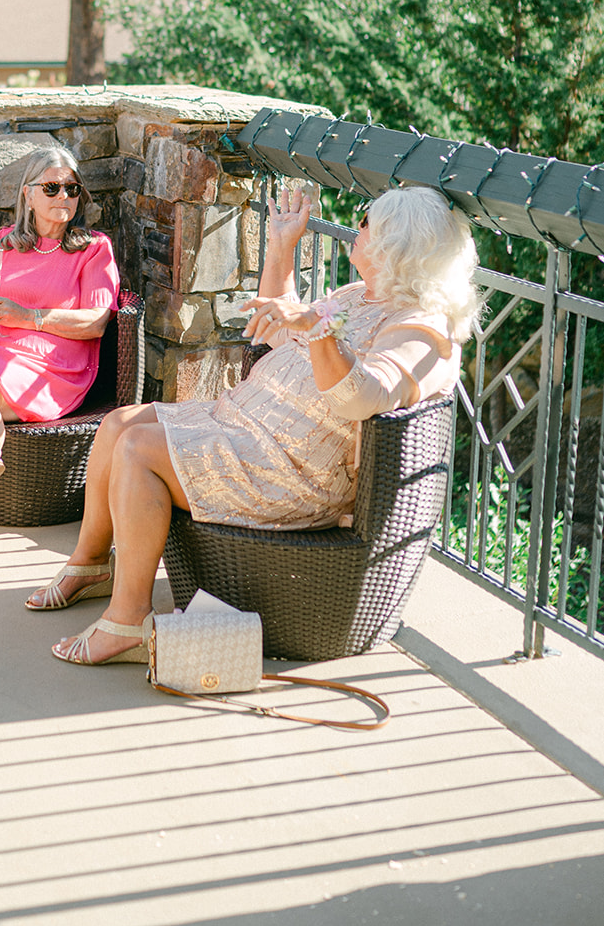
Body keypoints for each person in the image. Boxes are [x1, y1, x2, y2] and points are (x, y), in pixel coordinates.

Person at [28, 183, 482, 664]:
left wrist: (318, 327)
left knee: (139, 449)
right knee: (118, 424)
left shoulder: (423, 331)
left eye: (368, 220)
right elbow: (283, 332)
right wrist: (282, 248)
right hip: (246, 425)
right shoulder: (362, 294)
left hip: (289, 467)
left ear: (398, 242)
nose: (357, 224)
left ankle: (128, 621)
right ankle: (92, 564)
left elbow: (363, 396)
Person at [0, 145, 121, 571]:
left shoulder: (93, 249)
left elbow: (96, 322)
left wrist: (28, 317)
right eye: (52, 187)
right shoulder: (2, 244)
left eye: (72, 188)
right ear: (28, 195)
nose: (64, 196)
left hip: (53, 370)